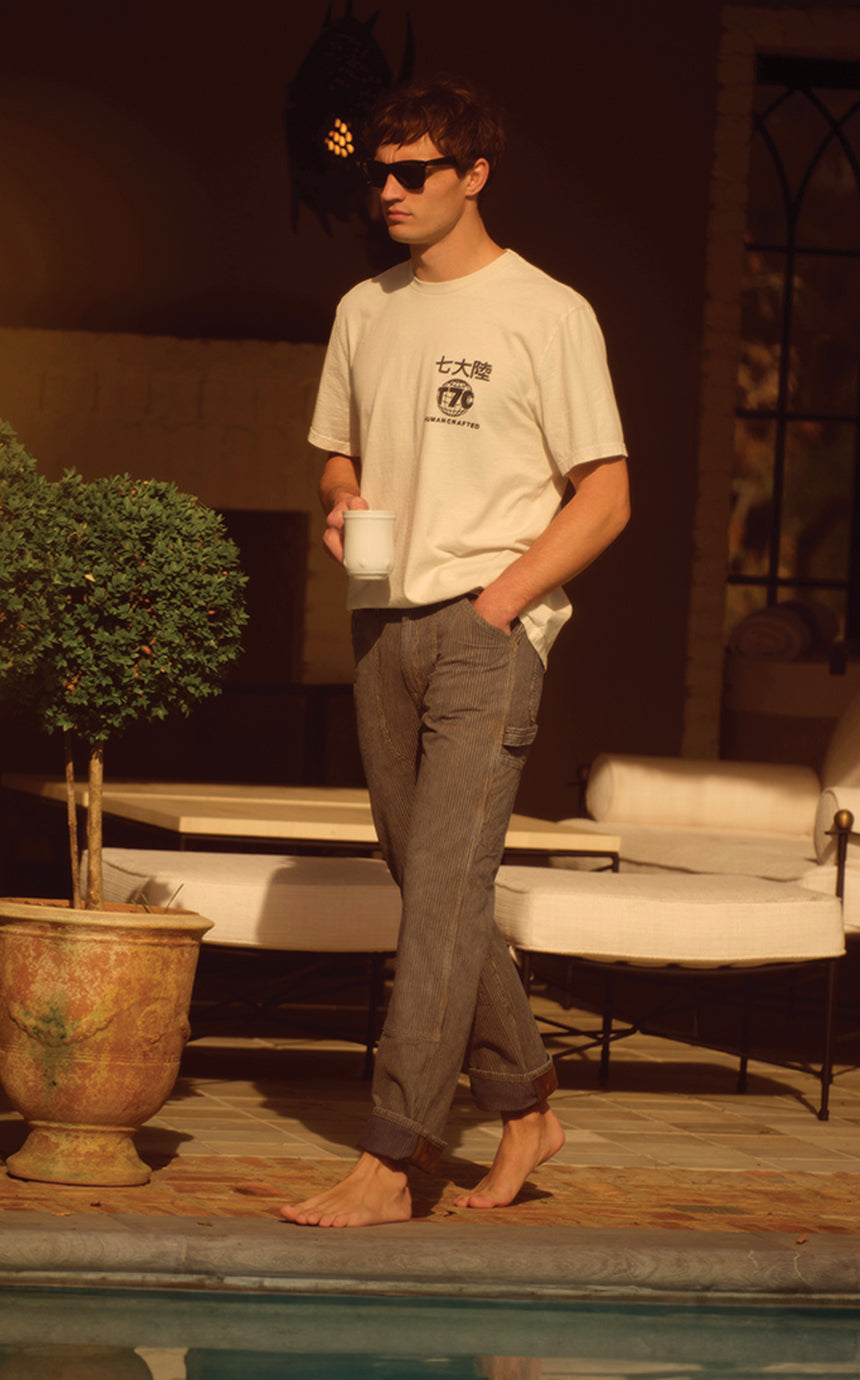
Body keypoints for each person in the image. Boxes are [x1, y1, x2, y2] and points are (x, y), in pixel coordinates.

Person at [281, 78, 629, 1228]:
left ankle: (396, 1155)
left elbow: (606, 495)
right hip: (381, 625)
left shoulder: (547, 312)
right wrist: (344, 503)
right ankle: (527, 1103)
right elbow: (338, 456)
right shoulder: (362, 310)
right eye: (376, 173)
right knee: (428, 880)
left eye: (412, 172)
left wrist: (502, 602)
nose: (386, 192)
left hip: (487, 628)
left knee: (436, 895)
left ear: (472, 175)